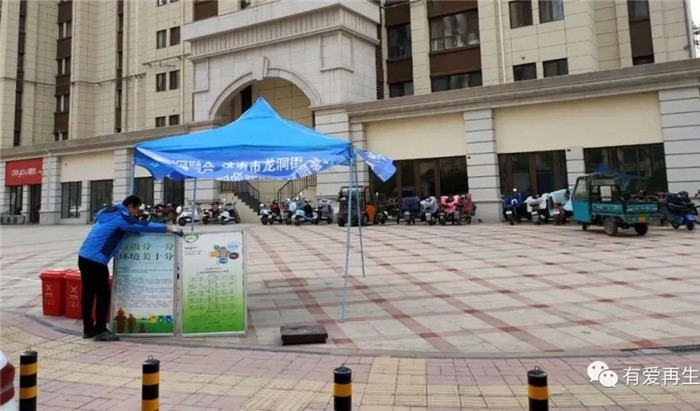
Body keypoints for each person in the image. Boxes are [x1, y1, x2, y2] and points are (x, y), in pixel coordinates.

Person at [78, 195, 182, 342]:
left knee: (88, 294)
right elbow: (142, 226)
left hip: (83, 256)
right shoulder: (122, 218)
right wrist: (168, 228)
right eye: (136, 209)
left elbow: (123, 229)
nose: (136, 213)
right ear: (130, 206)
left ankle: (88, 329)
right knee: (103, 295)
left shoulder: (109, 212)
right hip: (96, 260)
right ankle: (100, 330)